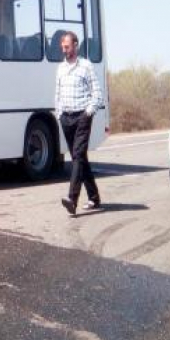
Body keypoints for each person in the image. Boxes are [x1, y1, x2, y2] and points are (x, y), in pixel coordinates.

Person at [55, 31, 103, 216]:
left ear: (75, 45)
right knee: (79, 158)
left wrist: (88, 113)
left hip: (82, 116)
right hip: (66, 118)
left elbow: (97, 94)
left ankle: (72, 199)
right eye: (63, 47)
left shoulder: (86, 66)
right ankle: (94, 197)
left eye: (67, 46)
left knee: (77, 154)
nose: (64, 50)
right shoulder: (60, 68)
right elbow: (57, 93)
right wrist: (59, 113)